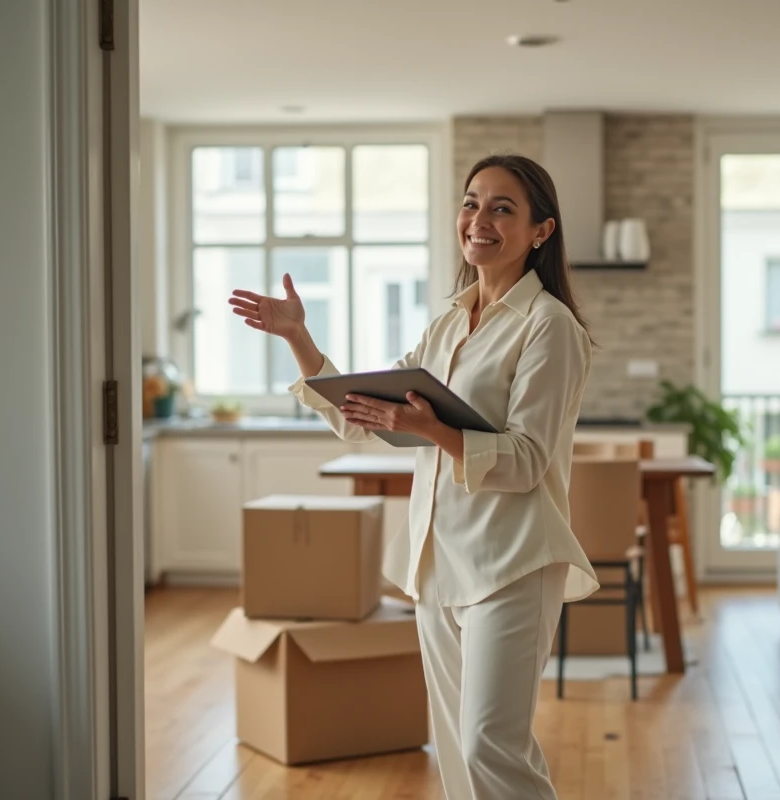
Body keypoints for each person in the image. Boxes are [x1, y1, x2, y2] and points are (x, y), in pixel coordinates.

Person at [229, 153, 600, 800]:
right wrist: (298, 338)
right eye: (471, 202)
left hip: (512, 561)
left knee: (491, 743)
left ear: (541, 231)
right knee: (456, 744)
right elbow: (362, 415)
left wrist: (431, 429)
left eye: (502, 207)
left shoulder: (550, 327)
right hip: (440, 560)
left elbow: (526, 462)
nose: (478, 219)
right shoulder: (447, 323)